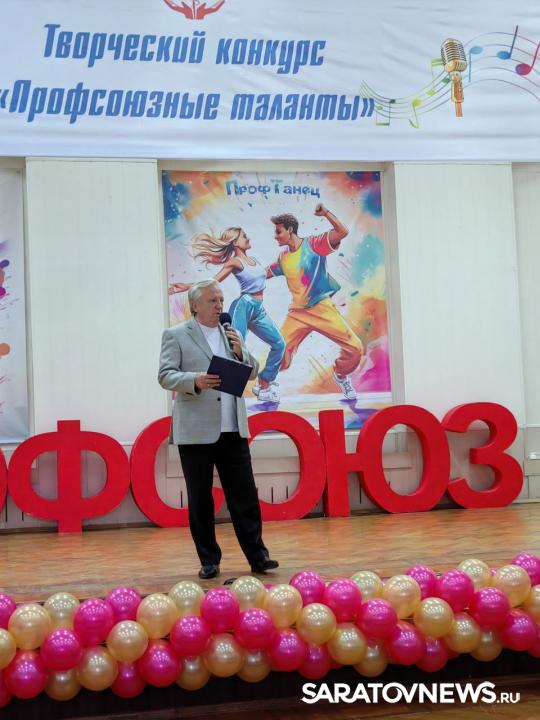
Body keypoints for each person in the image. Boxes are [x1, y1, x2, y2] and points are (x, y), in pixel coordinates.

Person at [158, 278, 279, 579]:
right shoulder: (176, 335)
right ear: (195, 305)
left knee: (245, 495)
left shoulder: (231, 332)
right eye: (212, 300)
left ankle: (259, 557)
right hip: (195, 431)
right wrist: (194, 380)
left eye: (221, 300)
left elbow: (252, 371)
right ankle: (209, 560)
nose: (219, 306)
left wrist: (240, 353)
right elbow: (165, 375)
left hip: (233, 428)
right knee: (201, 498)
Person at [169, 227, 285, 402]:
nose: (248, 238)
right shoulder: (235, 262)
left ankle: (264, 384)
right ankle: (218, 396)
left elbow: (264, 275)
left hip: (258, 309)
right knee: (233, 350)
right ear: (235, 242)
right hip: (243, 306)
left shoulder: (254, 260)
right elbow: (214, 281)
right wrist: (187, 286)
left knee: (279, 343)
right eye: (244, 236)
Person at [266, 203, 364, 400]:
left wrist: (325, 213)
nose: (275, 236)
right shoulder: (283, 257)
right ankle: (268, 385)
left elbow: (342, 232)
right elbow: (263, 274)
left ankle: (341, 375)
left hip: (321, 308)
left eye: (278, 231)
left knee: (355, 348)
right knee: (279, 350)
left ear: (290, 230)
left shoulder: (313, 244)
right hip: (298, 314)